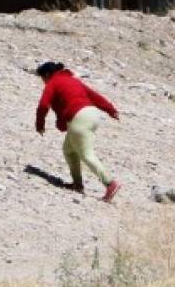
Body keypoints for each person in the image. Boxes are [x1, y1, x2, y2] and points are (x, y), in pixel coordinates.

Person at [34, 61, 121, 202]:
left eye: (43, 78)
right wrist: (111, 109)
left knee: (86, 154)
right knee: (69, 149)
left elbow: (44, 105)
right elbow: (94, 96)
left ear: (47, 74)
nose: (43, 82)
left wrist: (39, 124)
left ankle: (110, 183)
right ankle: (77, 184)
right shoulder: (72, 80)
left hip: (79, 117)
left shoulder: (53, 82)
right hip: (92, 114)